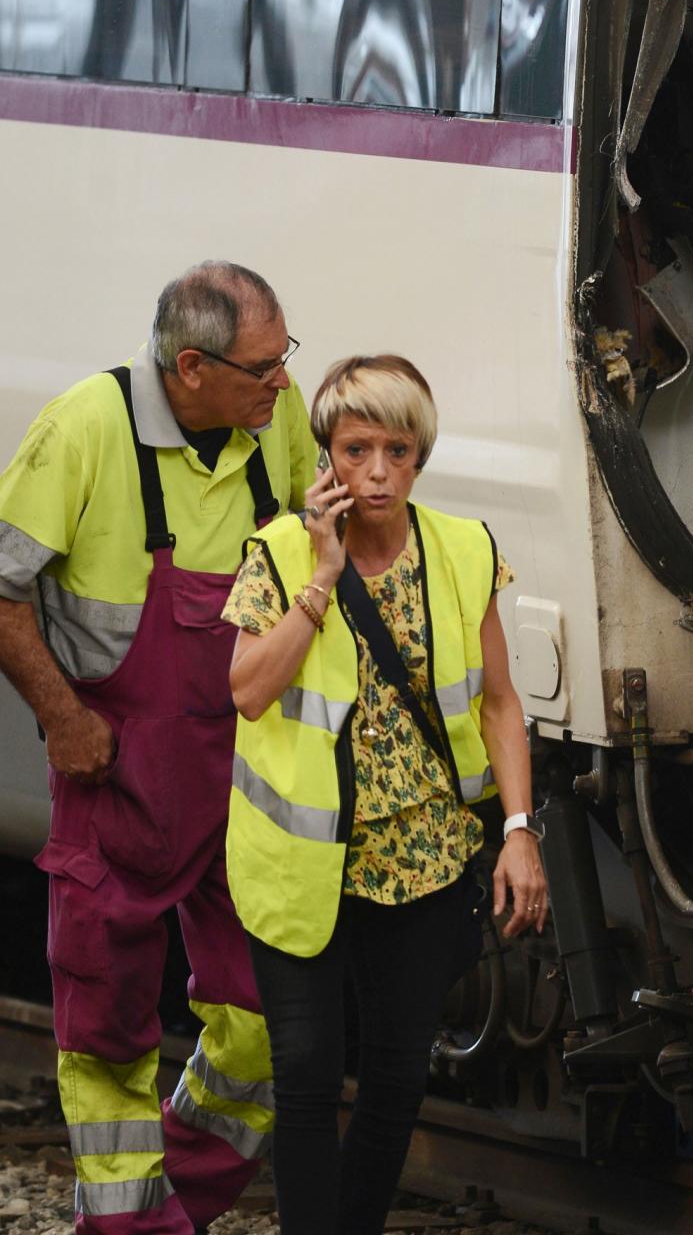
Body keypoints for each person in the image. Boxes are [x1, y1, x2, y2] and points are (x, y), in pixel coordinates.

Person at [0, 261, 318, 1235]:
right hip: (119, 767)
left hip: (243, 766)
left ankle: (173, 1199)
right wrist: (62, 717)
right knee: (106, 1024)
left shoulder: (275, 420)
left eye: (284, 360)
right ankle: (132, 1224)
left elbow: (309, 541)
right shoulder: (85, 431)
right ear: (190, 367)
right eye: (263, 368)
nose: (282, 383)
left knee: (269, 1016)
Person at [222, 353, 547, 1235]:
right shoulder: (280, 552)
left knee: (400, 1077)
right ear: (326, 454)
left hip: (423, 861)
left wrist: (519, 830)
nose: (375, 471)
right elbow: (248, 689)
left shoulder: (465, 549)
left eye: (396, 450)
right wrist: (321, 578)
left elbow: (500, 703)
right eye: (356, 448)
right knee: (307, 1073)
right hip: (302, 864)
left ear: (419, 456)